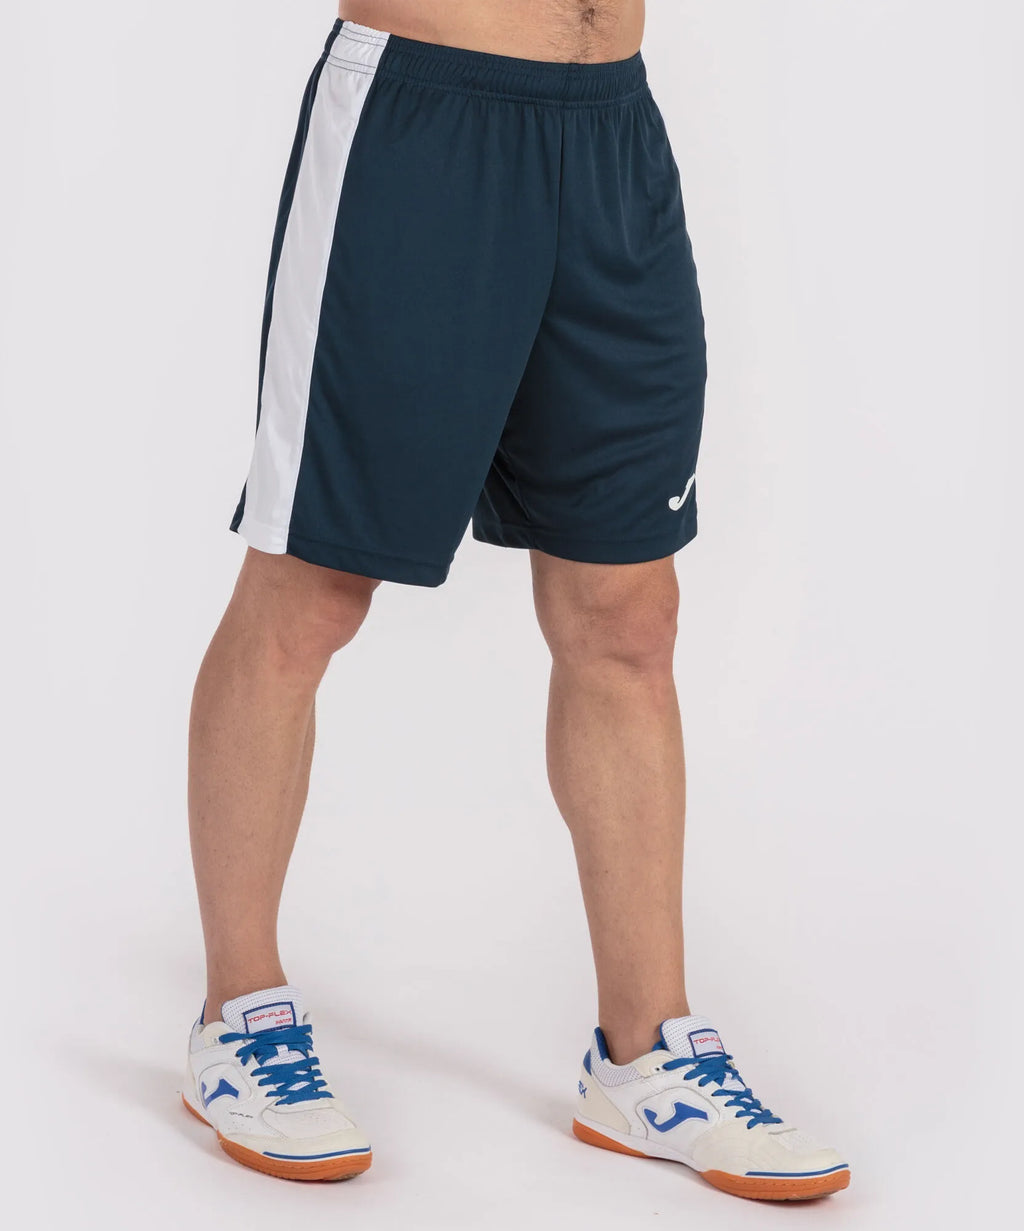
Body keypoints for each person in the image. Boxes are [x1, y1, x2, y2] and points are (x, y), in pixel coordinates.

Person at [181, 0, 850, 1200]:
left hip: (610, 135)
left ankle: (643, 1059)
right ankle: (240, 1014)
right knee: (314, 583)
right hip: (420, 122)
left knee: (626, 611)